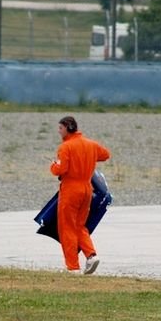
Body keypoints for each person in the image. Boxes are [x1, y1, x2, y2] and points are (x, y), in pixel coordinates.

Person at [49, 115, 111, 274]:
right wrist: (88, 158)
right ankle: (91, 256)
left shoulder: (65, 147)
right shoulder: (90, 144)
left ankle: (72, 267)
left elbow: (61, 169)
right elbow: (105, 154)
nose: (59, 131)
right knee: (79, 226)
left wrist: (53, 166)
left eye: (60, 128)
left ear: (68, 127)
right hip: (87, 189)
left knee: (67, 227)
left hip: (71, 189)